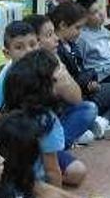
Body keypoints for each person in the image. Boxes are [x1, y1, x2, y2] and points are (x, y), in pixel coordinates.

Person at [48, 2, 110, 144]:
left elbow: (80, 71)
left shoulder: (72, 45)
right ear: (63, 25)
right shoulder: (57, 50)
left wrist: (90, 81)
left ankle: (107, 123)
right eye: (77, 28)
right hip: (76, 98)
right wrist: (87, 83)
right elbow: (68, 83)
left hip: (86, 90)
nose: (80, 32)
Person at [2, 50, 89, 188]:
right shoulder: (46, 121)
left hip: (6, 183)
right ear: (49, 84)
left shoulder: (11, 111)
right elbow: (52, 171)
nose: (63, 72)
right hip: (32, 187)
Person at [25, 14, 99, 147]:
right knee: (76, 168)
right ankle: (53, 149)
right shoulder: (20, 70)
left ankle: (58, 144)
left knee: (89, 108)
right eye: (49, 35)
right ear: (34, 42)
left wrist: (59, 66)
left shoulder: (53, 59)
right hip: (31, 129)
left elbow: (77, 99)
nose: (56, 38)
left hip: (51, 118)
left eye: (54, 33)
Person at [0, 20, 41, 124]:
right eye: (19, 47)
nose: (28, 51)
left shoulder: (42, 68)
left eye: (32, 45)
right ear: (7, 53)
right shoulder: (4, 80)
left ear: (39, 45)